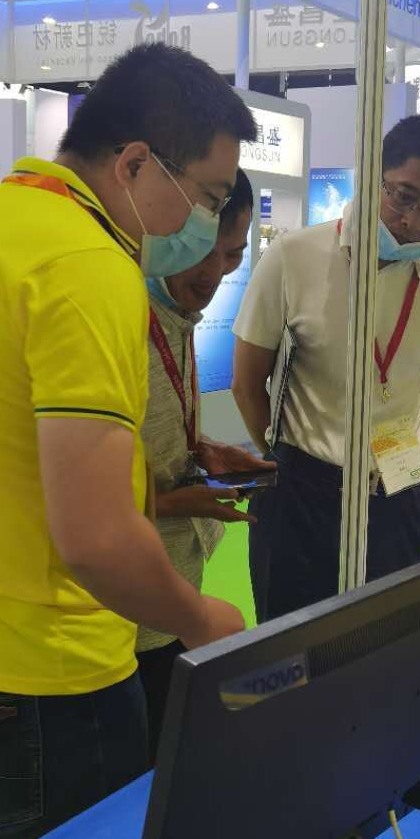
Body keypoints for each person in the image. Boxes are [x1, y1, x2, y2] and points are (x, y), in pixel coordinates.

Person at [0, 42, 257, 839]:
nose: (205, 223)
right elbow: (93, 537)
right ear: (135, 164)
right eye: (206, 196)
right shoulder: (87, 264)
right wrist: (200, 618)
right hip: (36, 676)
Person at [232, 113, 420, 624]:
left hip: (397, 490)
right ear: (373, 177)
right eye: (403, 196)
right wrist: (284, 460)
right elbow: (247, 383)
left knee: (387, 642)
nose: (413, 221)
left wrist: (385, 458)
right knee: (289, 642)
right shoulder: (294, 256)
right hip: (299, 491)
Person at [137, 168, 272, 758]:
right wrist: (171, 502)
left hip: (169, 589)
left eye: (233, 255)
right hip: (120, 609)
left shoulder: (174, 318)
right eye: (201, 251)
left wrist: (200, 451)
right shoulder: (114, 318)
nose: (214, 272)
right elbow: (58, 492)